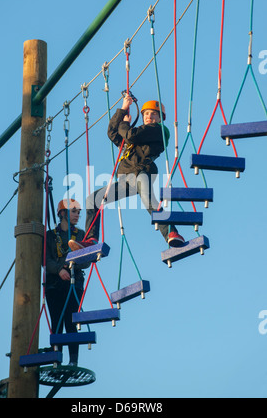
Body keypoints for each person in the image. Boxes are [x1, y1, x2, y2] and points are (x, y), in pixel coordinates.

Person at [68, 95, 184, 252]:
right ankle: (90, 239)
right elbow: (112, 133)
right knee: (93, 200)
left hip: (142, 171)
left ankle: (172, 232)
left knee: (149, 200)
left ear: (160, 118)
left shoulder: (159, 130)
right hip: (126, 179)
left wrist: (125, 123)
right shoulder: (134, 136)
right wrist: (122, 109)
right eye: (146, 114)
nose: (149, 116)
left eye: (153, 114)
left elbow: (130, 134)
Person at [45, 198, 90, 367]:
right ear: (63, 213)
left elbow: (87, 260)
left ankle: (73, 361)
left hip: (73, 282)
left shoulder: (80, 235)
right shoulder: (50, 236)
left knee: (71, 321)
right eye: (74, 211)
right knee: (56, 321)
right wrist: (59, 269)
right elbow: (46, 260)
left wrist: (71, 265)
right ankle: (56, 358)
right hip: (54, 284)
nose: (78, 214)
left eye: (79, 211)